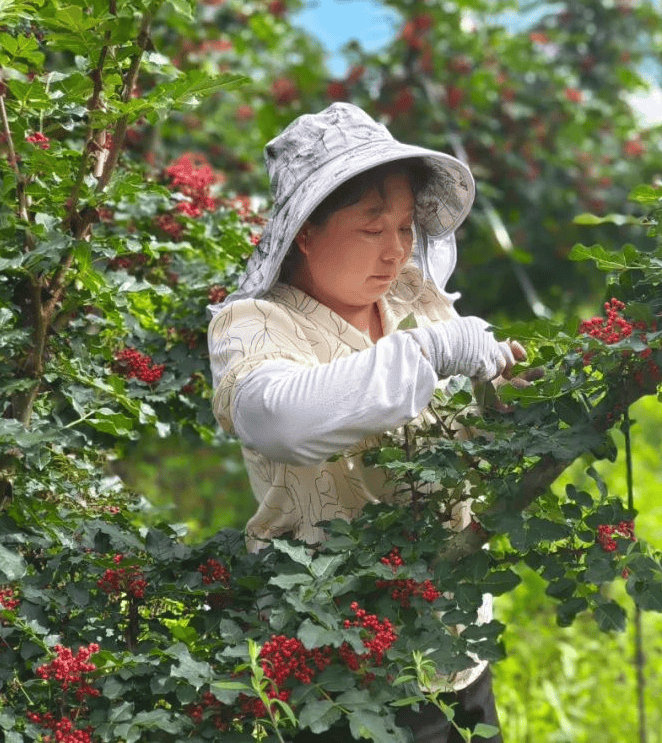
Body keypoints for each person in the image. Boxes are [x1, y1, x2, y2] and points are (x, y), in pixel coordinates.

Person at [207, 102, 522, 742]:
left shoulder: (413, 299)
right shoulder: (255, 326)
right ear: (305, 230)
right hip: (344, 672)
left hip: (454, 647)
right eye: (371, 225)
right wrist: (432, 353)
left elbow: (470, 442)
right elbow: (279, 420)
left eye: (405, 225)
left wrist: (510, 400)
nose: (396, 249)